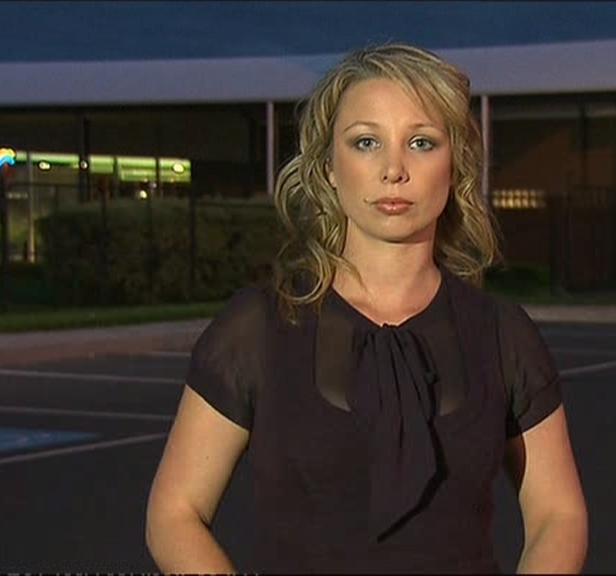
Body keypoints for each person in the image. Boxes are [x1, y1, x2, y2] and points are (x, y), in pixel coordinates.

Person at [145, 42, 588, 574]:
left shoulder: (502, 334)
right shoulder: (258, 327)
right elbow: (175, 513)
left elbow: (558, 516)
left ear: (455, 164)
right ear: (329, 167)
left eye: (421, 142)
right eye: (366, 142)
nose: (393, 169)